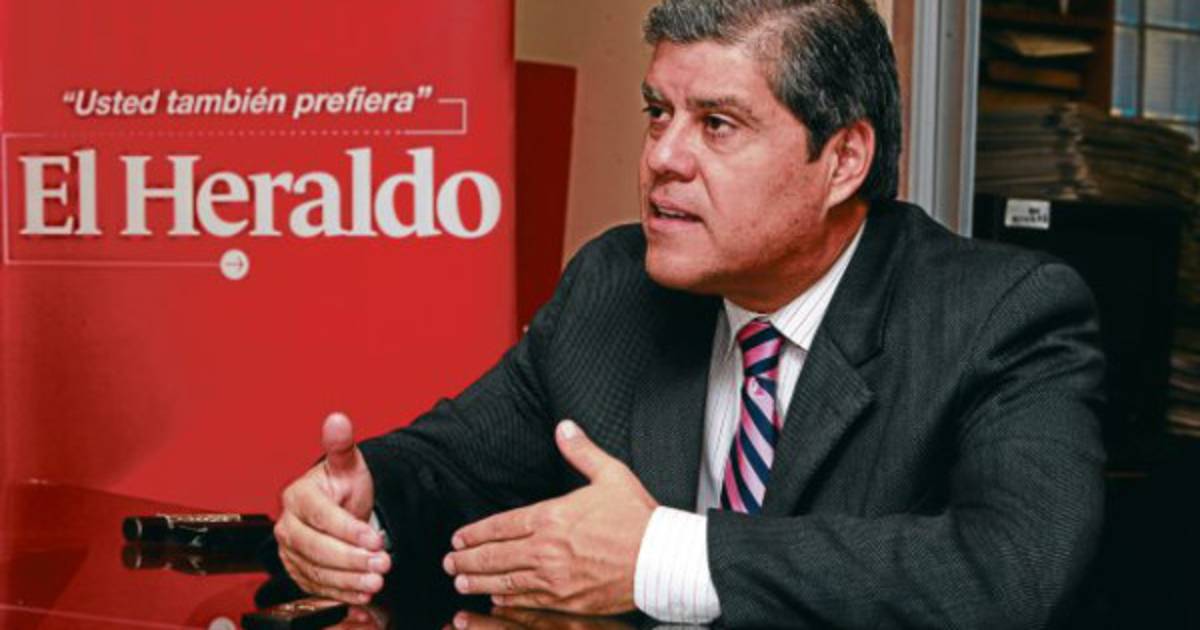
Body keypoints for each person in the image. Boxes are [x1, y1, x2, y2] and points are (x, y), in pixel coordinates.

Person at [273, 0, 1106, 626]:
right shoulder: (615, 284)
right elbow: (455, 463)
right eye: (658, 113)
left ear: (843, 159)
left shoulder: (999, 315)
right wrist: (360, 508)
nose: (663, 158)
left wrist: (660, 557)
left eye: (717, 124)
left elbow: (1012, 570)